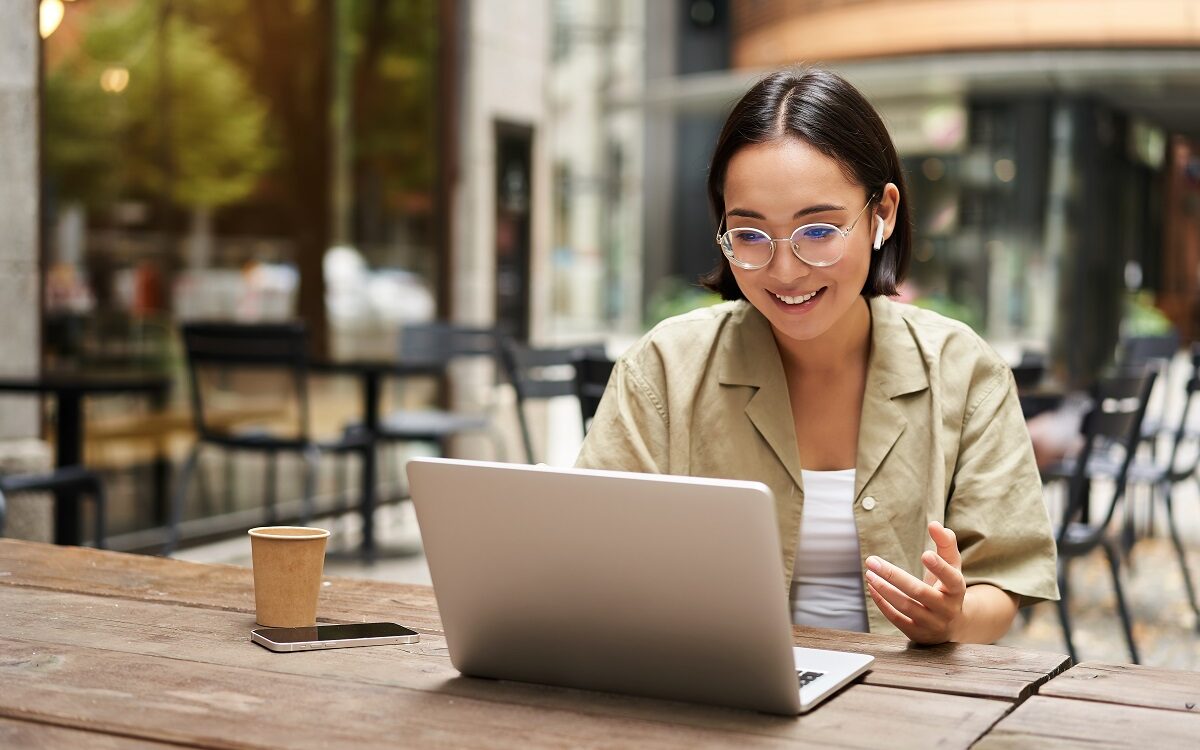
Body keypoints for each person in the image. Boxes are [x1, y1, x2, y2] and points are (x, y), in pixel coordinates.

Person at [576, 68, 1058, 644]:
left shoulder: (965, 372)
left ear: (882, 214)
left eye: (819, 231)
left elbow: (1000, 581)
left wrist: (952, 619)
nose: (784, 270)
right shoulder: (663, 371)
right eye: (751, 236)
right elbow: (590, 562)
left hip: (901, 711)